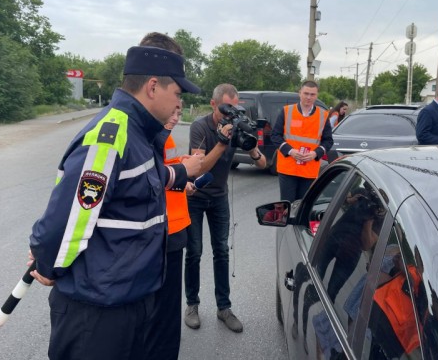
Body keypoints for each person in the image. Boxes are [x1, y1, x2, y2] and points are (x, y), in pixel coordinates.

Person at [28, 44, 202, 360]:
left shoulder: (140, 134)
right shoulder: (112, 135)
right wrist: (47, 264)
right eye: (177, 93)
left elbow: (142, 184)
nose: (180, 102)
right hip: (96, 313)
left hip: (126, 301)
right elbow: (66, 219)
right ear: (153, 87)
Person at [184, 83, 266, 333]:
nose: (230, 115)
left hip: (219, 198)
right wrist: (221, 142)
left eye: (235, 109)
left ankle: (224, 308)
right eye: (225, 110)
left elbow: (263, 164)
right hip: (196, 197)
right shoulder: (200, 126)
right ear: (213, 104)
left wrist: (252, 148)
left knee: (221, 250)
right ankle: (192, 305)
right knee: (195, 252)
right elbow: (198, 168)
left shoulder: (236, 125)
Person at [145, 101, 195, 360]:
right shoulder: (149, 136)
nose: (176, 116)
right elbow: (152, 178)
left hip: (174, 228)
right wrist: (182, 174)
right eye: (172, 109)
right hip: (159, 231)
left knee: (167, 311)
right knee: (158, 311)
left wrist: (183, 168)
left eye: (179, 111)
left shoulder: (164, 135)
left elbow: (168, 169)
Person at [271, 80, 334, 203]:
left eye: (312, 94)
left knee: (304, 205)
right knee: (287, 205)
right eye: (306, 93)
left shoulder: (323, 115)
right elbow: (275, 136)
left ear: (317, 96)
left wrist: (316, 153)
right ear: (300, 93)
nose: (309, 97)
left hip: (309, 169)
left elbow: (328, 141)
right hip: (288, 168)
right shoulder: (286, 111)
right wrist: (290, 151)